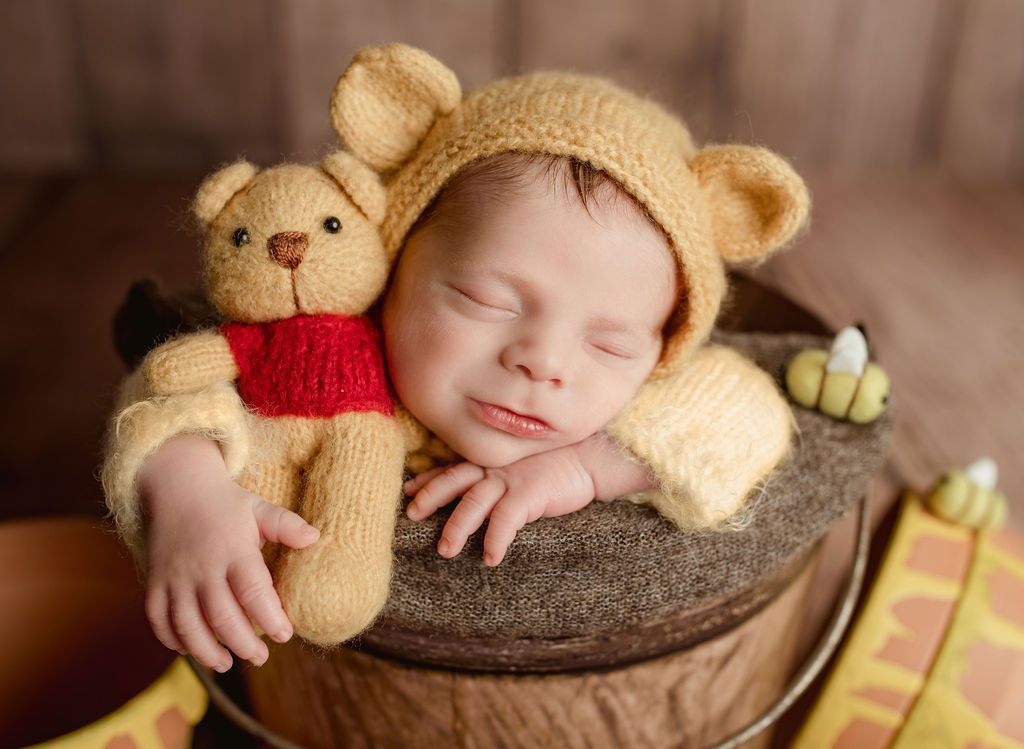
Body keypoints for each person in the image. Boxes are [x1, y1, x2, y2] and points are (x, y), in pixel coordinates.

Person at [102, 43, 809, 675]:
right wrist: (186, 487)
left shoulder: (647, 402)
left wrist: (586, 465)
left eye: (610, 342)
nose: (543, 359)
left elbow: (744, 414)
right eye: (485, 298)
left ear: (661, 350)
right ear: (395, 263)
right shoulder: (337, 357)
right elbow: (172, 393)